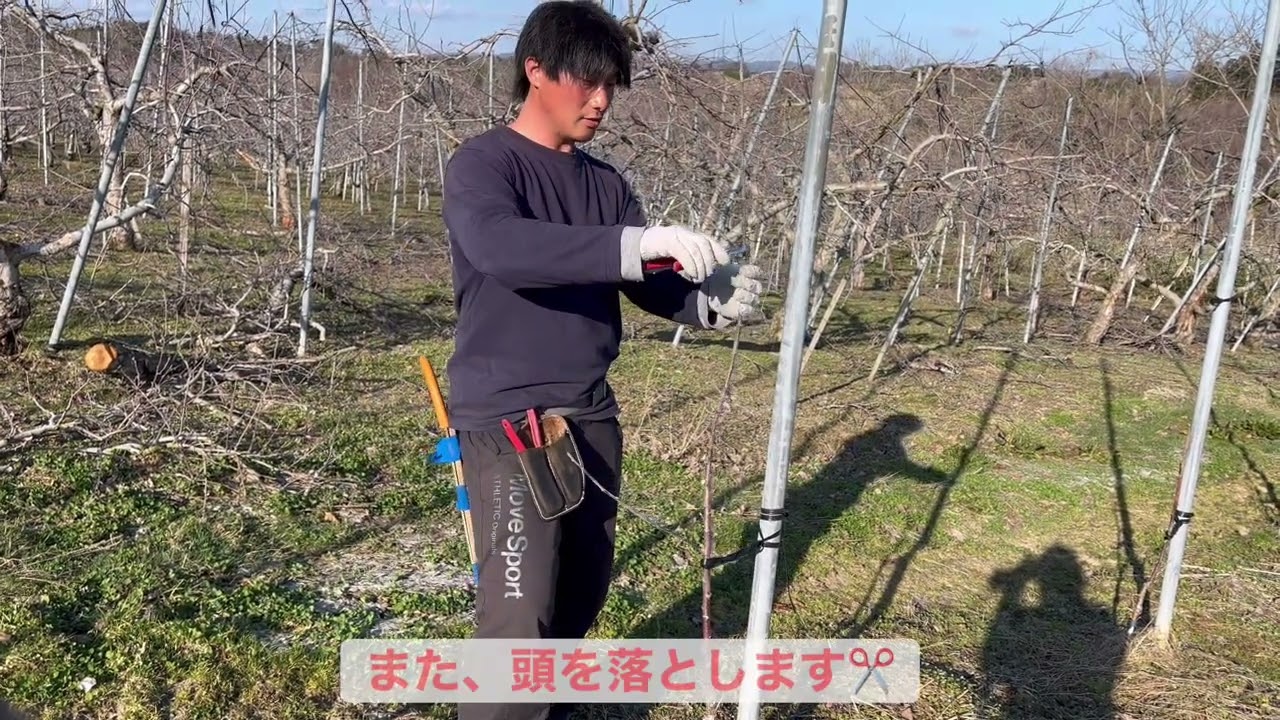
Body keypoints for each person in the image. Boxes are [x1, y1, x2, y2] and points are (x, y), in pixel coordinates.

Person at [440, 2, 763, 718]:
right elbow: (503, 248)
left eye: (611, 85)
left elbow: (639, 279)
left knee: (582, 591)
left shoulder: (606, 184)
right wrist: (635, 245)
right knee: (520, 616)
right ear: (535, 71)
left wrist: (705, 302)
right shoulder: (484, 165)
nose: (601, 100)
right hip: (509, 419)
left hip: (589, 413)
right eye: (586, 81)